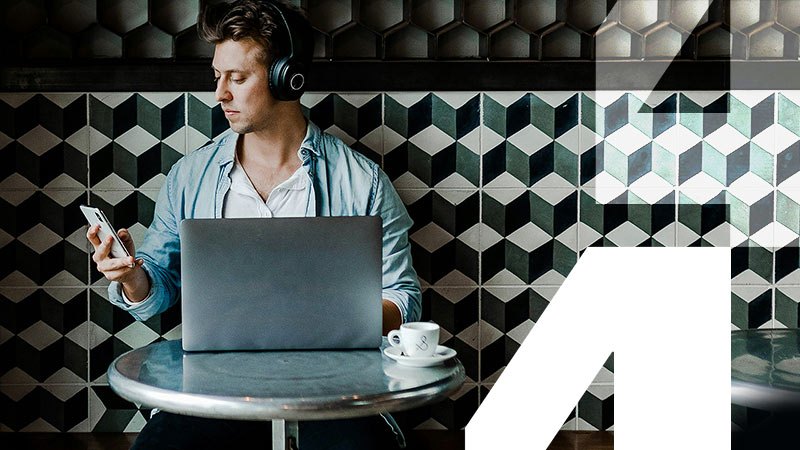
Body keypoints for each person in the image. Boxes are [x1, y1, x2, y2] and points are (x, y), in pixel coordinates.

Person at [86, 1, 421, 448]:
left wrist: (331, 321)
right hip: (215, 391)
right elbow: (159, 289)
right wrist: (133, 277)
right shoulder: (190, 176)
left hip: (336, 393)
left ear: (288, 78)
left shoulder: (362, 181)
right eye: (217, 76)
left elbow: (403, 297)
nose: (220, 93)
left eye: (238, 78)